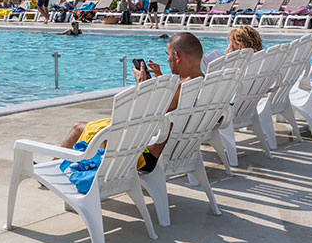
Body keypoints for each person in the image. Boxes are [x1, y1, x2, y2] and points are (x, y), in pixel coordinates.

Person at [58, 32, 205, 171]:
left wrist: (141, 85)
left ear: (177, 56)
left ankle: (54, 172)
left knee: (78, 128)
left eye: (168, 55)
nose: (167, 60)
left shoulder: (179, 88)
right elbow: (167, 108)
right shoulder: (199, 84)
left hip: (142, 153)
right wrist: (159, 80)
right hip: (166, 148)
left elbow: (139, 115)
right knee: (93, 126)